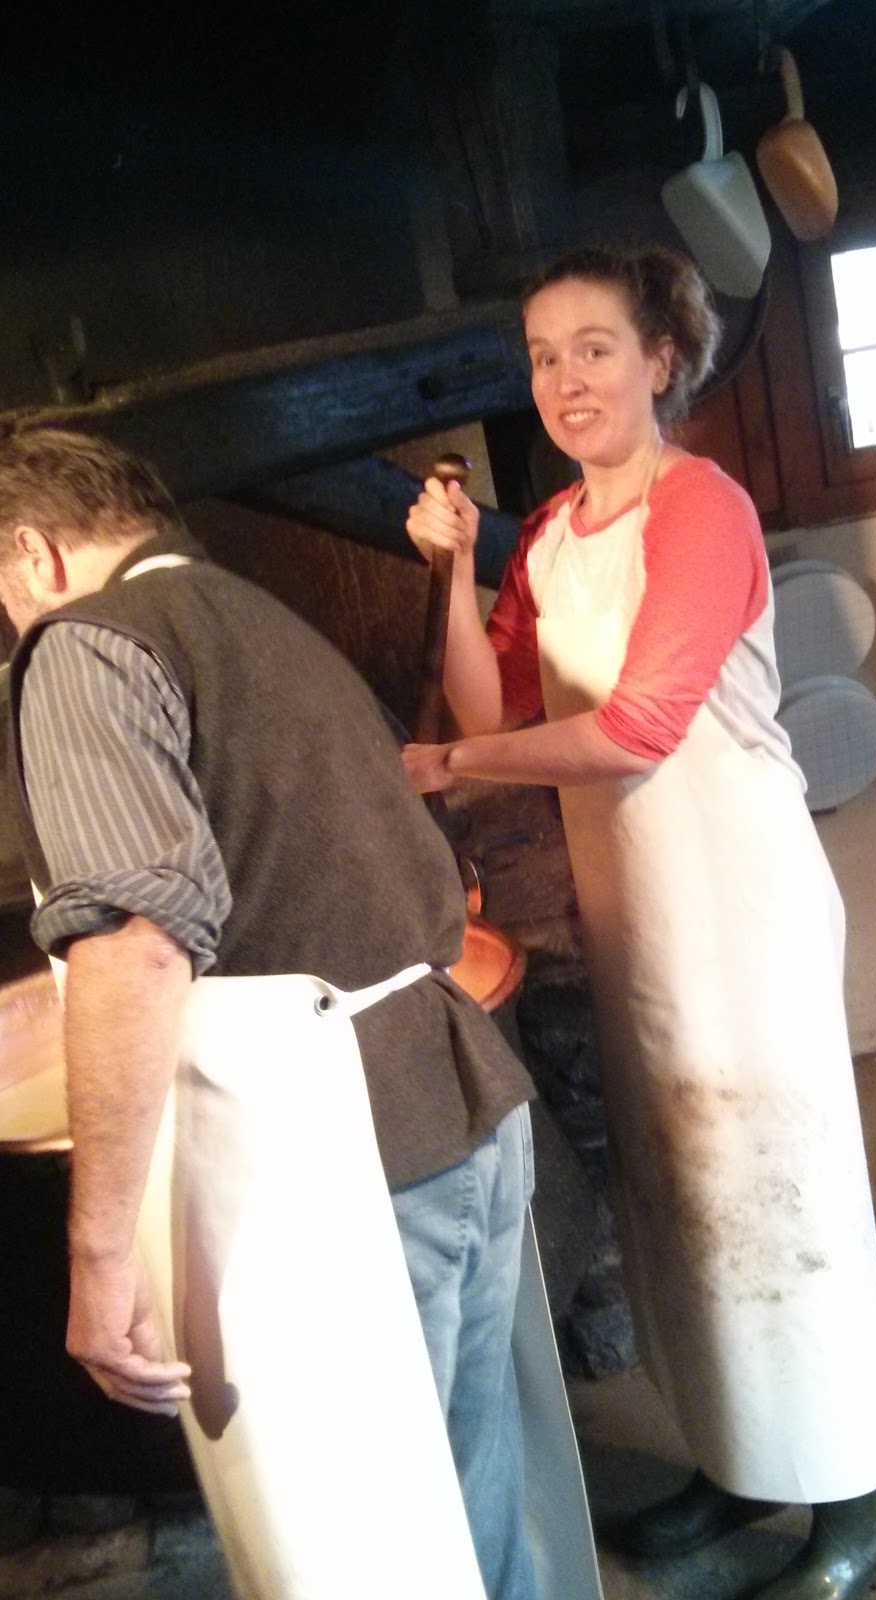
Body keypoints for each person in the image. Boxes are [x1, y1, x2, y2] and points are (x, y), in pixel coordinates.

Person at [402, 244, 876, 1600]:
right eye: (542, 357)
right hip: (635, 908)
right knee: (683, 1197)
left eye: (594, 349)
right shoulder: (551, 538)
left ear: (660, 360)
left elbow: (635, 730)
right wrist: (452, 573)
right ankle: (744, 1457)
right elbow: (493, 704)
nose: (565, 381)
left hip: (739, 900)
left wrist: (450, 770)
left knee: (783, 1187)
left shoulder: (702, 510)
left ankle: (854, 1498)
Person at [0, 427, 539, 1600]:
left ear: (35, 553)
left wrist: (97, 1256)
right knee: (466, 1505)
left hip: (334, 1160)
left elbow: (137, 944)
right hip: (459, 1103)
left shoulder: (82, 646)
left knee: (362, 1554)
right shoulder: (257, 615)